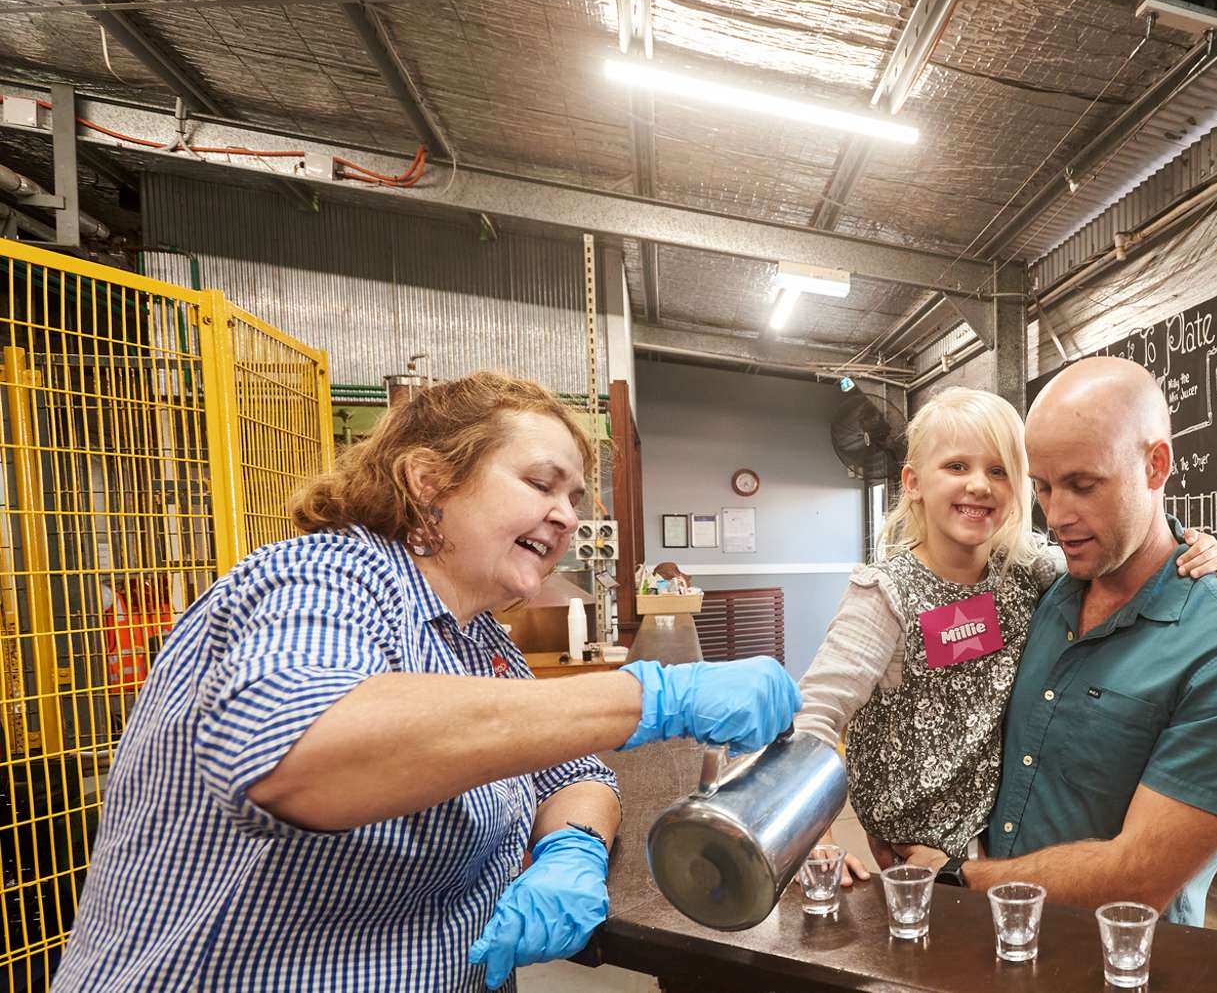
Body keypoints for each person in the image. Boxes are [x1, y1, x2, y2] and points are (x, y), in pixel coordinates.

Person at [53, 372, 801, 992]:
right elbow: (297, 756)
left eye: (577, 498)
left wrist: (571, 845)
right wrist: (651, 696)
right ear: (429, 480)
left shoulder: (477, 641)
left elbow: (573, 772)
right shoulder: (321, 578)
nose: (567, 516)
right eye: (543, 483)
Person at [896, 358, 1217, 928]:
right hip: (1001, 939)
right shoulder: (1041, 592)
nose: (1057, 516)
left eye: (1084, 486)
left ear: (1156, 465)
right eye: (1043, 488)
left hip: (1124, 963)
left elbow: (1140, 876)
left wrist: (958, 876)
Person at [795, 387, 1217, 882]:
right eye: (957, 467)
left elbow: (1132, 555)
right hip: (912, 854)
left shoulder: (1028, 569)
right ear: (914, 483)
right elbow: (814, 713)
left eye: (999, 470)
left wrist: (1197, 545)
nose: (979, 485)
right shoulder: (884, 595)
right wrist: (813, 836)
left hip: (990, 844)